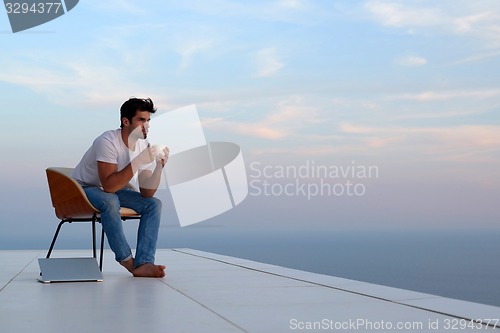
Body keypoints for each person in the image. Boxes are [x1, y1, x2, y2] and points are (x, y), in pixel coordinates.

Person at [72, 97, 169, 278]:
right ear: (126, 121)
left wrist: (159, 167)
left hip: (111, 190)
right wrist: (139, 160)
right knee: (110, 200)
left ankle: (145, 262)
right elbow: (108, 186)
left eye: (148, 120)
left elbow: (147, 193)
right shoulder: (107, 141)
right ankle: (128, 261)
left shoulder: (142, 145)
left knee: (153, 204)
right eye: (141, 120)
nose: (146, 125)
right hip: (83, 188)